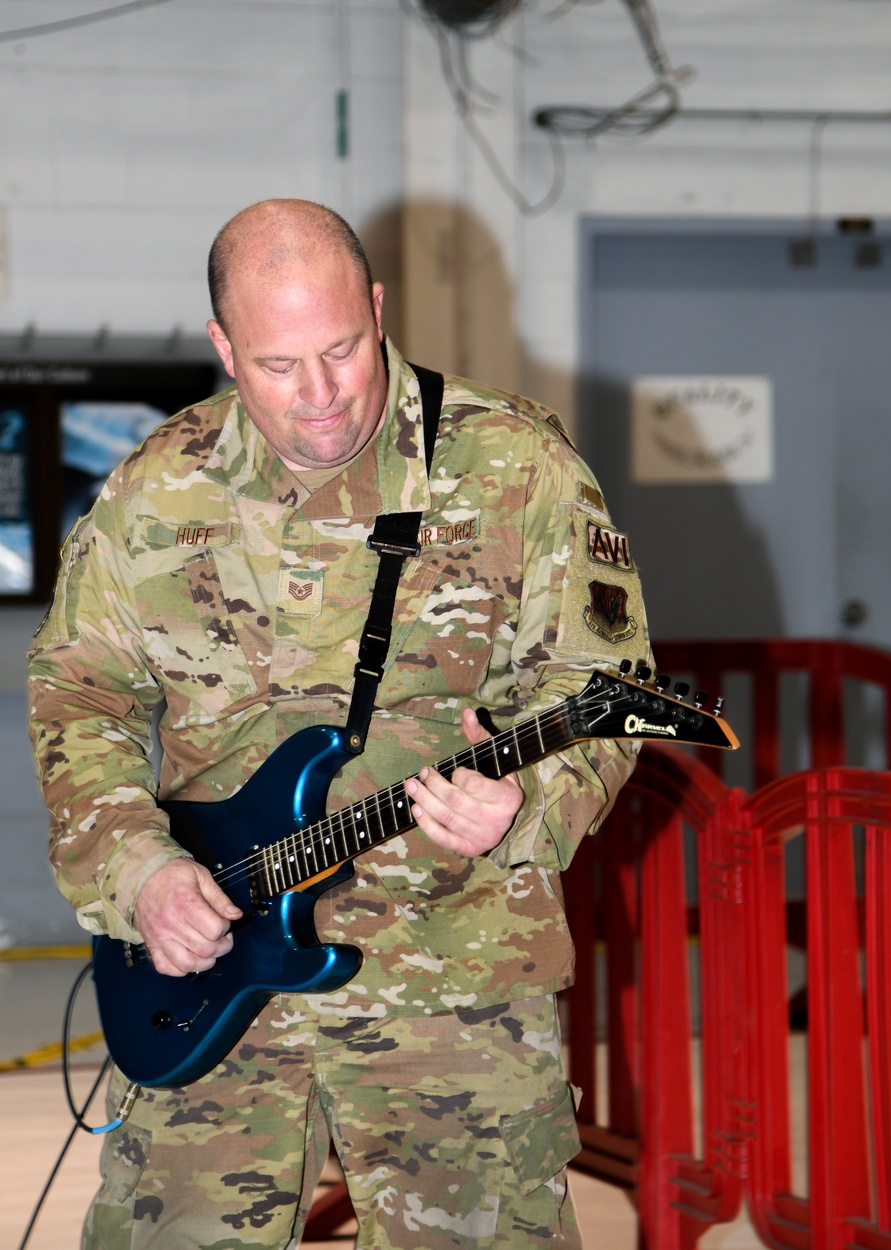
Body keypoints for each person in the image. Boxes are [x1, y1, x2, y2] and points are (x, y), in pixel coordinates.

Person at [28, 198, 650, 1250]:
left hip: (454, 973)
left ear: (375, 306)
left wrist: (530, 802)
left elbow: (608, 683)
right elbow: (81, 696)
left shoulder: (513, 465)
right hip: (214, 965)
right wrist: (139, 869)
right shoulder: (152, 491)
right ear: (224, 346)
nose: (319, 395)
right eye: (277, 365)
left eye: (343, 350)